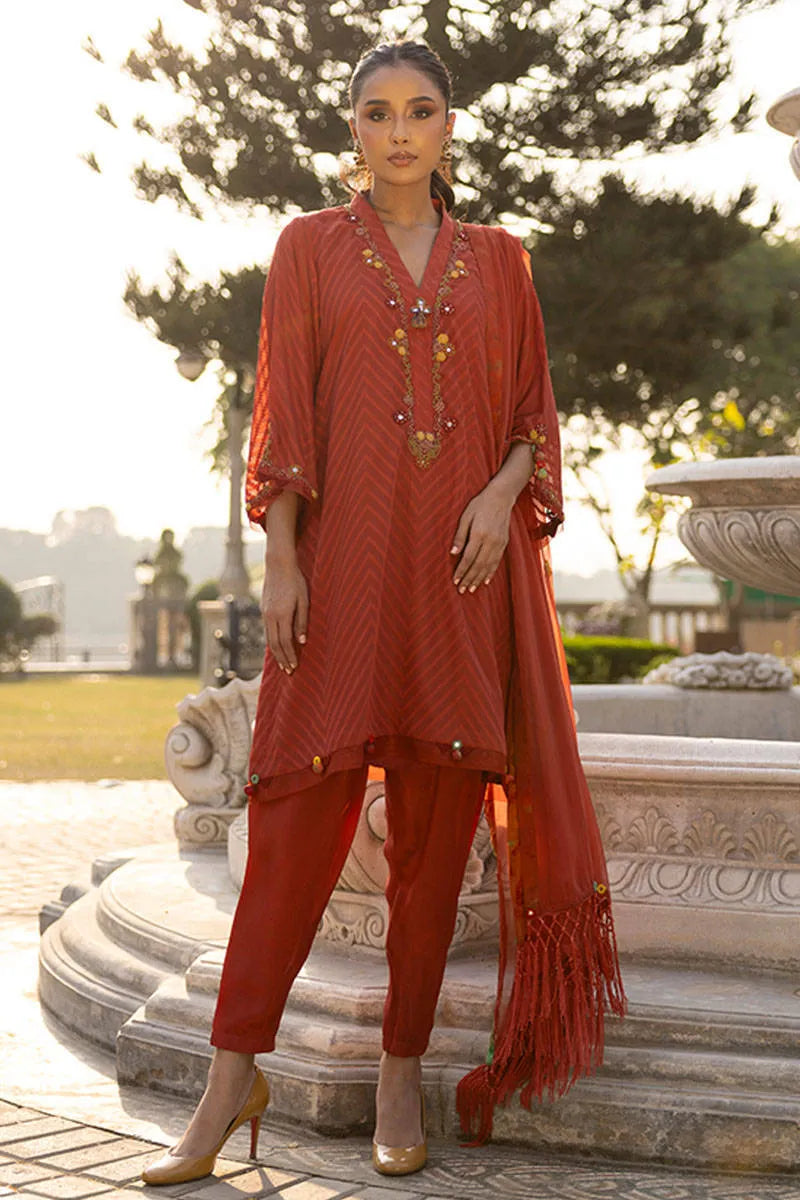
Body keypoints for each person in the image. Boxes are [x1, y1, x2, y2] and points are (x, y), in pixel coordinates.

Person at [142, 37, 626, 1187]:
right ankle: (227, 1080)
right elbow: (285, 416)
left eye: (418, 110)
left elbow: (531, 416)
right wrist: (280, 559)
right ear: (350, 128)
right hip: (340, 577)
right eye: (376, 112)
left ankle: (399, 1071)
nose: (398, 131)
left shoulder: (499, 260)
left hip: (460, 582)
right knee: (289, 830)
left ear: (448, 125)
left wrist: (502, 495)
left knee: (434, 840)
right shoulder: (308, 248)